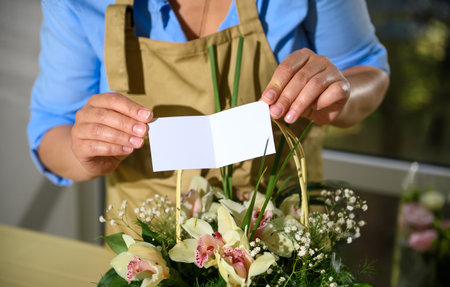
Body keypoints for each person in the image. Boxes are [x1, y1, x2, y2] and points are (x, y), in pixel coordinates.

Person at [28, 0, 389, 234]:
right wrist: (83, 151)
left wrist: (339, 95)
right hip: (148, 256)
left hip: (284, 240)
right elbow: (50, 127)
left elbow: (369, 69)